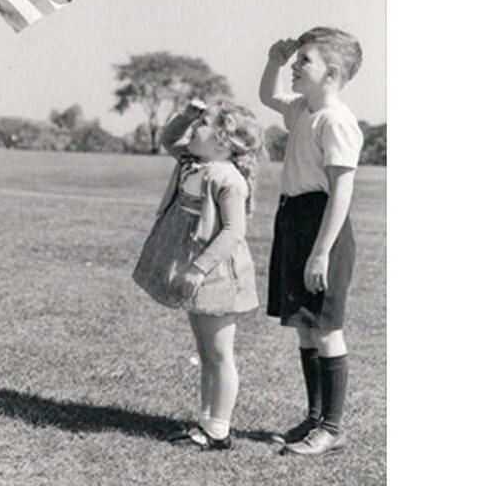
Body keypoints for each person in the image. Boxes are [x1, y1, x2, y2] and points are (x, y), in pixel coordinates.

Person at [132, 97, 263, 451]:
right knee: (206, 351)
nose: (194, 129)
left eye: (203, 124)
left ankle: (218, 430)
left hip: (217, 274)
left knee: (220, 353)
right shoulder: (194, 161)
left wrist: (199, 268)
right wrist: (187, 116)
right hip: (200, 271)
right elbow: (169, 140)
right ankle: (206, 422)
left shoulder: (227, 178)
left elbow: (233, 231)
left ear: (223, 140)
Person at [258, 27, 364, 456]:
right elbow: (269, 97)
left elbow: (342, 191)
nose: (295, 67)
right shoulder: (303, 108)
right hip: (294, 220)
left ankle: (332, 428)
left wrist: (321, 251)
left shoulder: (335, 121)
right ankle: (314, 416)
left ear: (332, 72)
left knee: (326, 329)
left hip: (324, 227)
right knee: (304, 325)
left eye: (305, 60)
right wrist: (273, 61)